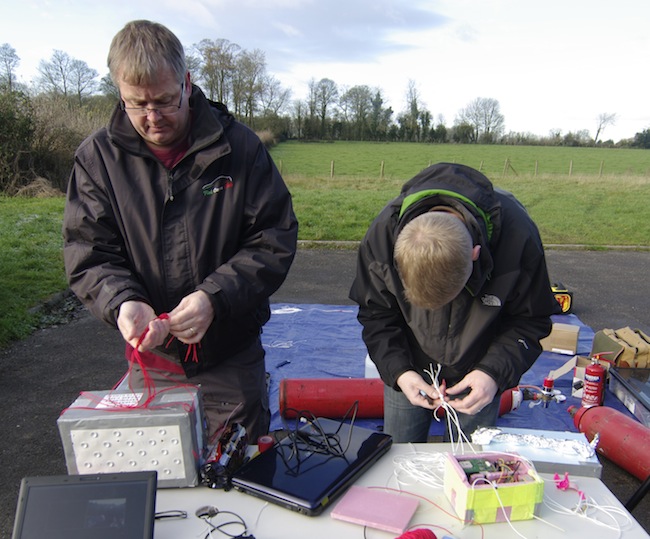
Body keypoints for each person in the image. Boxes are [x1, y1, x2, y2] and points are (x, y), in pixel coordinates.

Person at [62, 20, 298, 442]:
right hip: (152, 360)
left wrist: (215, 298)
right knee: (160, 476)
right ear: (120, 93)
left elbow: (273, 239)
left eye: (165, 101)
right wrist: (123, 302)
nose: (153, 118)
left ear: (187, 83)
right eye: (137, 104)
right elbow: (89, 252)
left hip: (230, 354)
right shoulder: (97, 160)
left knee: (237, 475)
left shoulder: (240, 149)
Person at [349, 162, 560, 443]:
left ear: (476, 254)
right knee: (398, 456)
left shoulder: (517, 236)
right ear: (398, 258)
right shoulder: (382, 237)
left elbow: (530, 320)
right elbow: (376, 314)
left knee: (472, 468)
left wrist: (492, 374)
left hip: (480, 370)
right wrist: (399, 372)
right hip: (410, 368)